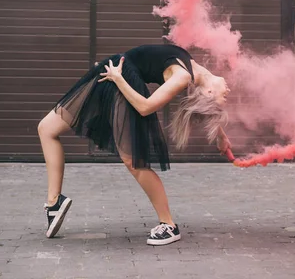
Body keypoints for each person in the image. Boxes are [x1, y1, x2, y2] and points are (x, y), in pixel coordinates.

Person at [37, 44, 232, 246]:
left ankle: (169, 225)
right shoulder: (198, 74)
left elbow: (145, 107)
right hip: (114, 70)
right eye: (226, 95)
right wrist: (220, 135)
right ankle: (54, 203)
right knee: (46, 129)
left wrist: (118, 79)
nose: (229, 90)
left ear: (209, 92)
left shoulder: (183, 77)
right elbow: (200, 101)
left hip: (120, 77)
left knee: (133, 160)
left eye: (224, 96)